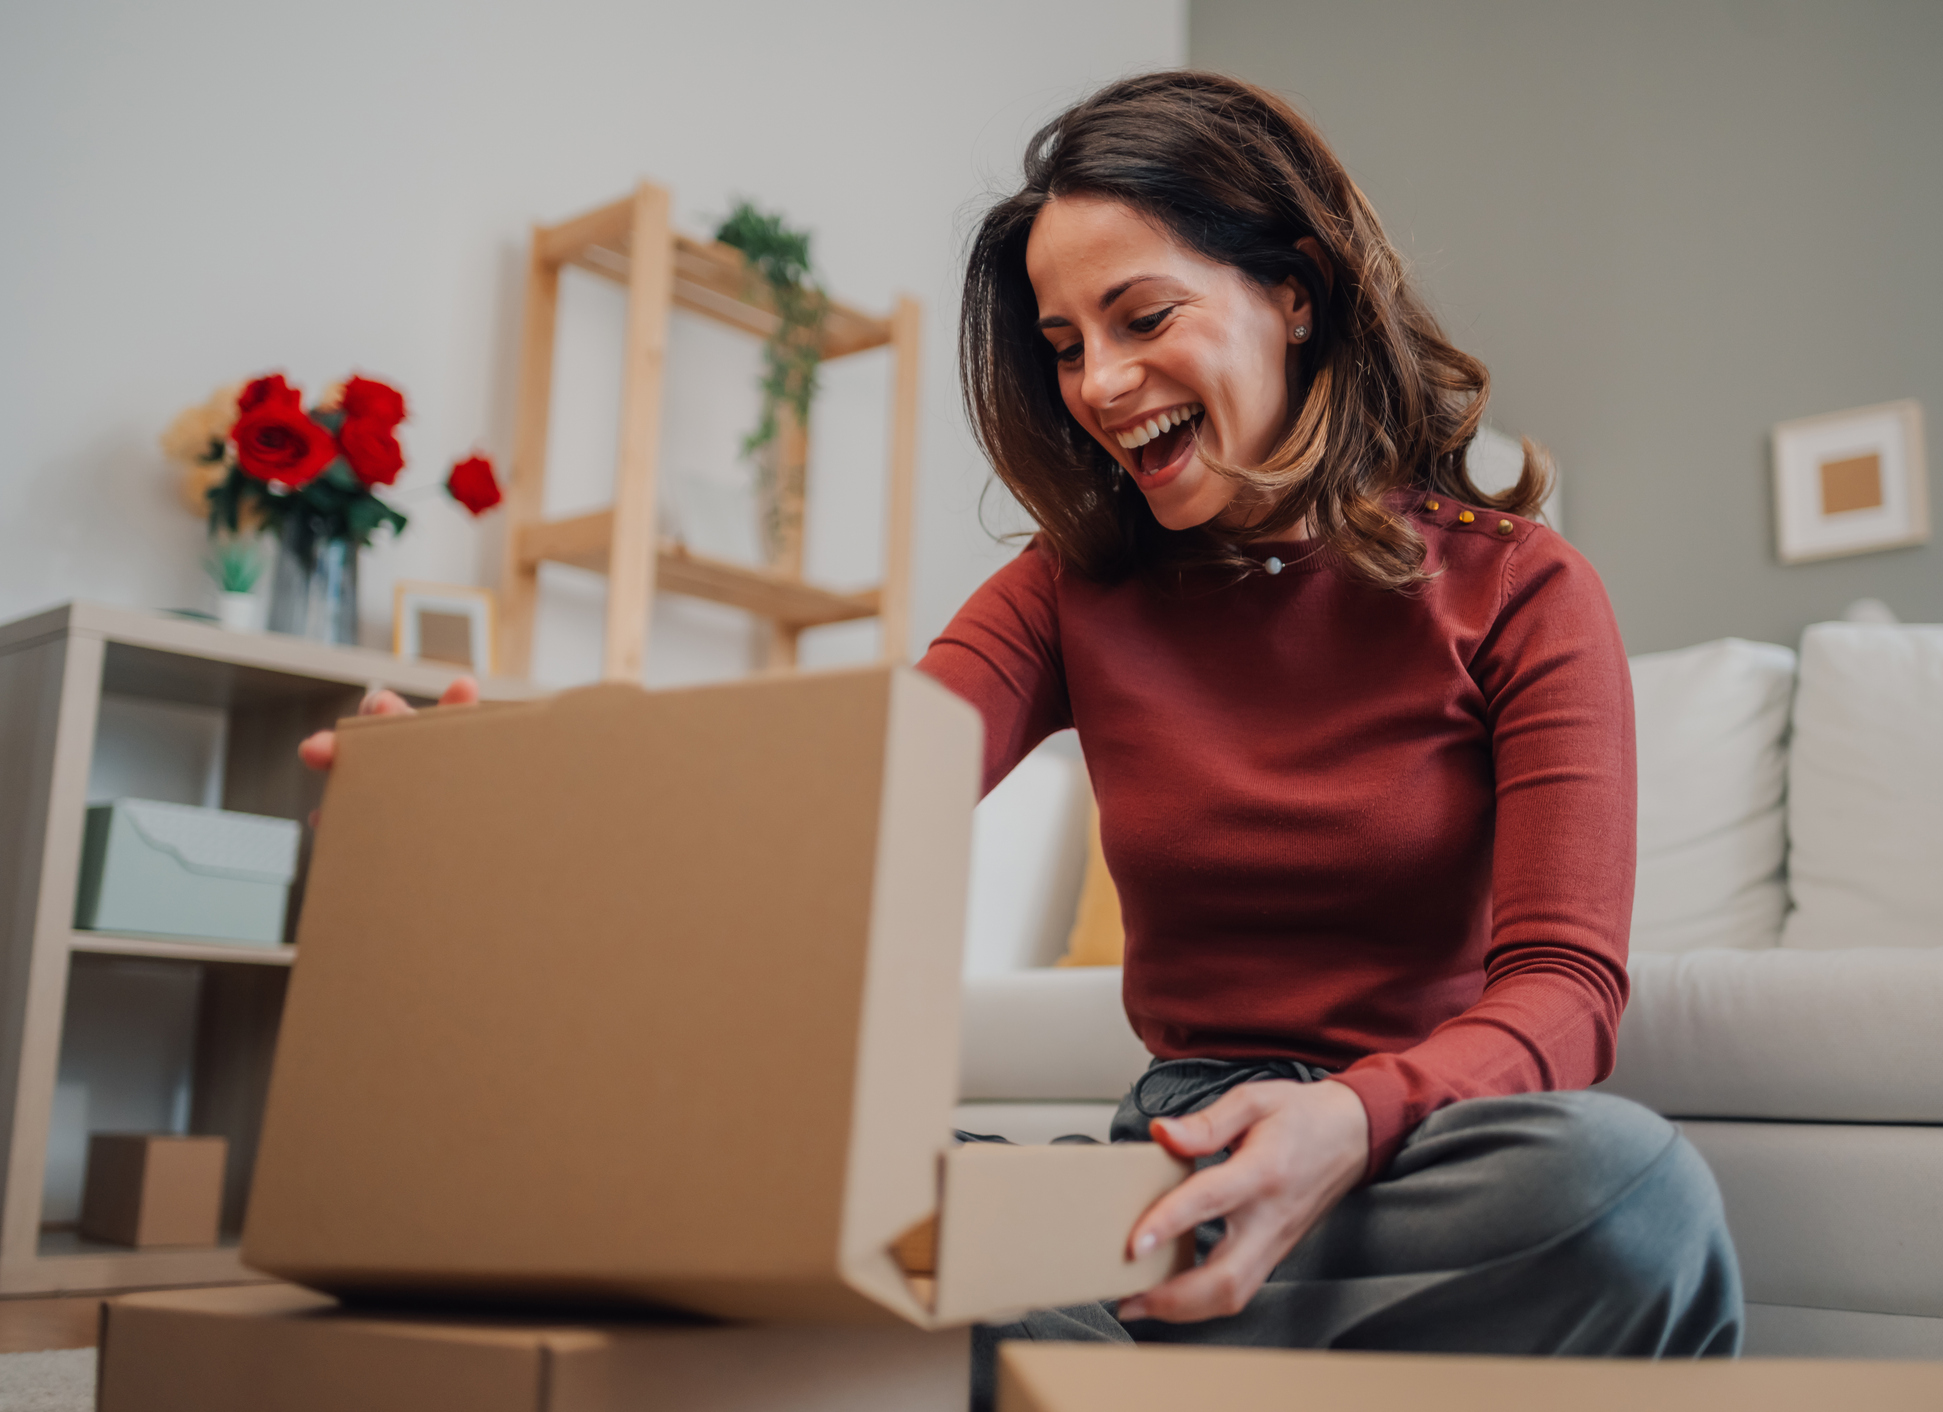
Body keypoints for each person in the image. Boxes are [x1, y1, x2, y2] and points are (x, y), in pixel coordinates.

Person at [302, 69, 1740, 1408]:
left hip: (1416, 1155)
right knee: (820, 1207)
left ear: (1292, 295)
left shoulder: (1518, 587)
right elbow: (831, 798)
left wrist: (1349, 1123)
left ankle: (1138, 1374)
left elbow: (1563, 990)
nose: (1098, 385)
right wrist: (507, 795)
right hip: (1171, 1166)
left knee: (1628, 1197)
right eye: (1063, 346)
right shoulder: (1068, 590)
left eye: (1139, 316)